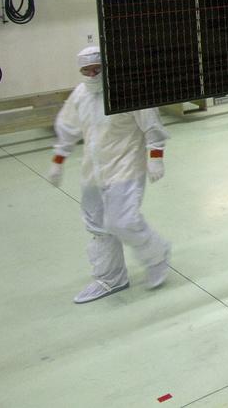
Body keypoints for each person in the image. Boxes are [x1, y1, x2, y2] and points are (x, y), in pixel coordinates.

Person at [47, 45, 172, 303]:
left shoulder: (128, 90)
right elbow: (67, 128)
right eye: (86, 70)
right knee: (98, 227)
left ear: (106, 66)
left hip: (125, 168)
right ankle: (111, 279)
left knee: (122, 221)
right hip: (93, 171)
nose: (92, 74)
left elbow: (152, 127)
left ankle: (157, 254)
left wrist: (156, 157)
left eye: (97, 68)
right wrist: (58, 161)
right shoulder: (81, 95)